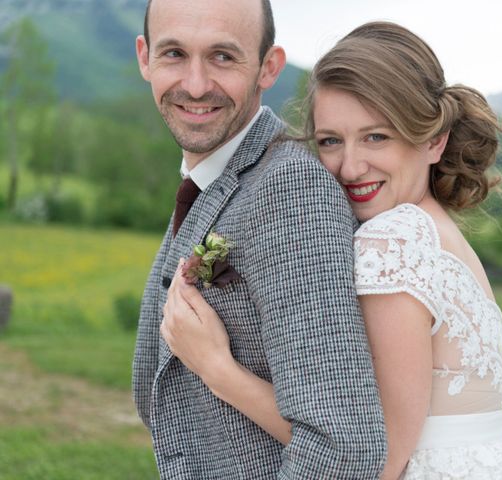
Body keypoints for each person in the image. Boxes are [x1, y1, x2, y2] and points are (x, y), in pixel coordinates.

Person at [162, 21, 502, 479]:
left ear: (434, 140)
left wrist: (219, 369)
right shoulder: (439, 234)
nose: (351, 167)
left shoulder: (394, 243)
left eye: (376, 136)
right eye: (330, 141)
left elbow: (375, 462)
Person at [132, 0, 387, 478]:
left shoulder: (290, 190)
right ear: (145, 57)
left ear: (268, 67)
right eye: (174, 54)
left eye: (223, 57)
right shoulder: (211, 176)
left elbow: (343, 449)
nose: (195, 84)